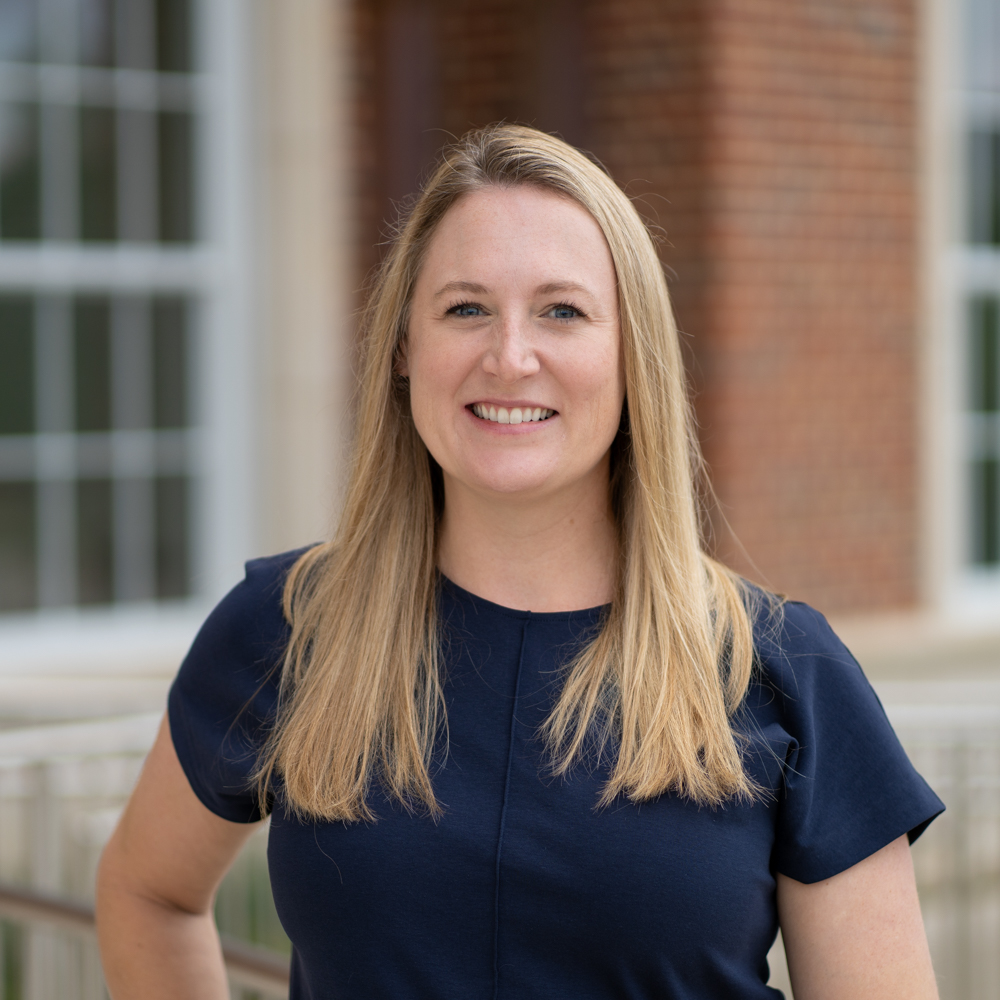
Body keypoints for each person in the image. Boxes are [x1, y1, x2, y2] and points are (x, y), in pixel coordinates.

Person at [95, 124, 943, 1000]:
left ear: (632, 360)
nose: (509, 357)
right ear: (403, 349)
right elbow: (147, 893)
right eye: (465, 308)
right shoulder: (289, 626)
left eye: (562, 312)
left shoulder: (781, 672)